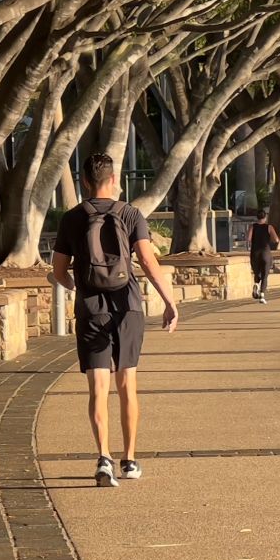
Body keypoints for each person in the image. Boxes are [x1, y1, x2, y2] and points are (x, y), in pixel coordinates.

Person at [51, 153, 180, 488]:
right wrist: (169, 301)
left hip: (91, 309)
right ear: (112, 180)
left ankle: (103, 458)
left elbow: (58, 272)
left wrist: (76, 285)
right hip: (129, 307)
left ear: (84, 183)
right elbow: (149, 263)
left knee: (98, 387)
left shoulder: (72, 218)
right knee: (127, 385)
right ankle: (130, 459)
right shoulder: (131, 214)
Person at [247, 217, 280, 303]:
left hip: (255, 253)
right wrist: (270, 240)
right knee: (265, 275)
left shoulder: (252, 226)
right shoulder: (269, 227)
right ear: (265, 218)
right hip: (265, 253)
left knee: (257, 272)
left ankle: (256, 284)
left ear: (257, 217)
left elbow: (248, 239)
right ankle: (262, 295)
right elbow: (276, 239)